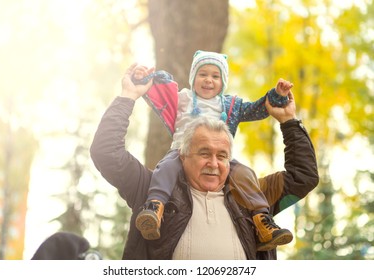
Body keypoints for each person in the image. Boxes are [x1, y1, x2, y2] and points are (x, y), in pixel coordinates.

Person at [89, 63, 319, 259]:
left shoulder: (254, 196)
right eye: (203, 153)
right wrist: (128, 96)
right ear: (183, 154)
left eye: (222, 156)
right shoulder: (150, 189)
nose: (214, 163)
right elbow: (106, 152)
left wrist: (289, 121)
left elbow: (303, 176)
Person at [132, 50, 293, 251]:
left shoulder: (230, 104)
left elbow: (256, 109)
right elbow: (159, 93)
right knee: (164, 168)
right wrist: (143, 76)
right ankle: (155, 208)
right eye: (203, 74)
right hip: (183, 150)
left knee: (245, 174)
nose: (208, 80)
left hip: (219, 156)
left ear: (223, 81)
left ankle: (262, 220)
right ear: (193, 78)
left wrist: (276, 96)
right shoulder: (183, 98)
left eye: (215, 76)